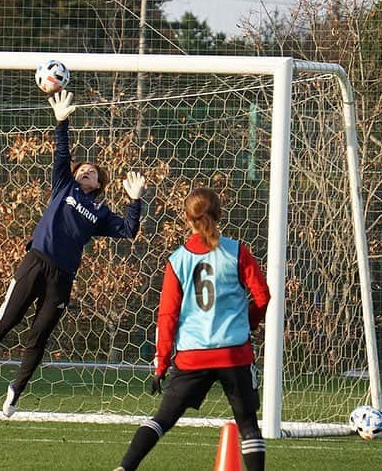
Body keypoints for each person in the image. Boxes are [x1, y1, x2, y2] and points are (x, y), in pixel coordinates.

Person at [0, 89, 146, 418]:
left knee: (39, 336)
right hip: (35, 262)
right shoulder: (63, 185)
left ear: (98, 183)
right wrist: (61, 121)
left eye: (92, 172)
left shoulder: (100, 212)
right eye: (82, 169)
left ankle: (15, 391)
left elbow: (128, 231)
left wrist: (135, 201)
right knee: (7, 320)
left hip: (62, 278)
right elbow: (62, 154)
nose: (86, 171)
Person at [114, 187, 270, 471]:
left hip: (192, 356)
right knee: (247, 423)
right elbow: (262, 296)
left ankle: (124, 468)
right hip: (234, 354)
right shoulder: (237, 252)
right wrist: (249, 323)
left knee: (162, 419)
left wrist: (160, 365)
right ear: (220, 215)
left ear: (187, 219)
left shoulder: (177, 260)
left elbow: (167, 316)